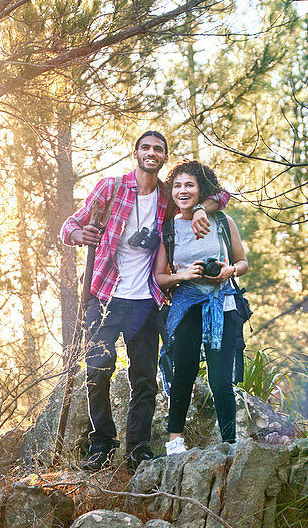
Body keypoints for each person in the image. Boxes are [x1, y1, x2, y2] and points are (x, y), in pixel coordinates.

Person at [61, 132, 228, 472]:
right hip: (104, 295)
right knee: (97, 370)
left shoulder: (169, 196)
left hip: (145, 300)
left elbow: (223, 195)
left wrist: (198, 209)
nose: (151, 153)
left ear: (165, 158)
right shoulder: (111, 188)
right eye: (146, 148)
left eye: (158, 149)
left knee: (144, 378)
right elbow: (69, 226)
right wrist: (80, 235)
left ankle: (137, 448)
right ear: (135, 153)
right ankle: (102, 443)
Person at [154, 160, 248, 453]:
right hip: (186, 306)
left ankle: (229, 442)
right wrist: (183, 274)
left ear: (201, 190)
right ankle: (174, 442)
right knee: (183, 371)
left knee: (221, 378)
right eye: (177, 186)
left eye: (189, 185)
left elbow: (243, 262)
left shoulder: (222, 221)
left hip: (223, 305)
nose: (183, 191)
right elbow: (159, 277)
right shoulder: (168, 230)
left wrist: (227, 271)